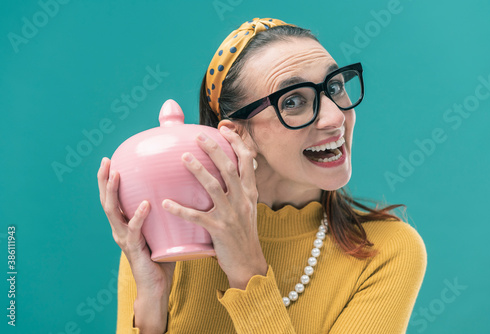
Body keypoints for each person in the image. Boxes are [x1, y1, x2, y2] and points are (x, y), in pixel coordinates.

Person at [97, 18, 427, 334]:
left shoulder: (387, 251)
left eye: (335, 86)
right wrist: (151, 308)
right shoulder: (167, 234)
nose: (335, 116)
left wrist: (248, 270)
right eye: (294, 100)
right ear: (237, 136)